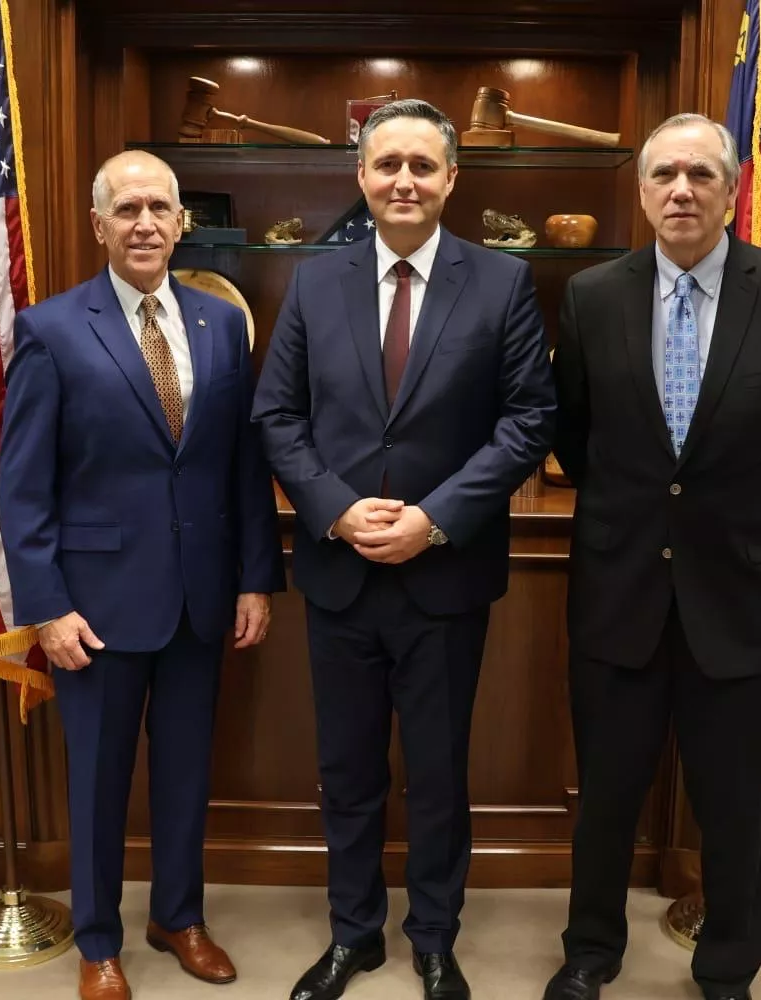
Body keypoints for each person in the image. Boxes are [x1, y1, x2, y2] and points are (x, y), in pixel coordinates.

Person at [543, 113, 761, 1000]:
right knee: (607, 798)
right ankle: (589, 952)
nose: (681, 190)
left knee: (731, 803)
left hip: (742, 597)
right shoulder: (593, 297)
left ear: (732, 191)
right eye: (664, 175)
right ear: (642, 191)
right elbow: (574, 433)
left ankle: (727, 966)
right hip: (620, 592)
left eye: (700, 175)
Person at [252, 99, 555, 1000]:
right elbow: (277, 415)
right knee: (346, 772)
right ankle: (354, 934)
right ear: (362, 176)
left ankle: (433, 938)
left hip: (446, 575)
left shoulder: (502, 282)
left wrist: (435, 517)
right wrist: (338, 510)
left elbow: (528, 420)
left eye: (423, 165)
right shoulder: (315, 283)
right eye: (388, 164)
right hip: (340, 575)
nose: (404, 181)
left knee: (437, 774)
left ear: (452, 178)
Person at [0, 149, 284, 1000]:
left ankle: (178, 917)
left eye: (160, 208)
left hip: (201, 596)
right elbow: (23, 486)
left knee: (187, 771)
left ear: (180, 221)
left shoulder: (222, 324)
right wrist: (47, 607)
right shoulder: (51, 329)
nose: (146, 224)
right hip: (95, 608)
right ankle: (98, 941)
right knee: (98, 780)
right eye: (128, 210)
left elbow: (243, 466)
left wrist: (256, 578)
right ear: (99, 225)